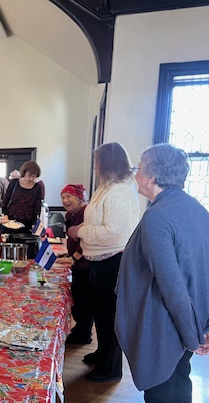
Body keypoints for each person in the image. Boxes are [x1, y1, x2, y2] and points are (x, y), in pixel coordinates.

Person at [116, 144, 209, 403]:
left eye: (139, 167)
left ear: (151, 176)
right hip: (188, 322)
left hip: (166, 325)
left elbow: (172, 285)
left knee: (160, 393)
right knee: (179, 384)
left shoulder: (158, 216)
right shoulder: (195, 208)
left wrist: (192, 335)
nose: (135, 172)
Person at [67, 142, 139, 382]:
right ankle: (102, 353)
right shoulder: (108, 186)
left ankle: (110, 368)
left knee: (109, 318)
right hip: (99, 260)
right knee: (101, 314)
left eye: (98, 162)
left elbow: (113, 232)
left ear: (108, 163)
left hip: (112, 262)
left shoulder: (119, 191)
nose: (95, 166)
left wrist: (81, 231)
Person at [60, 184, 93, 345]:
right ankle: (80, 330)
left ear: (80, 199)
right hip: (76, 264)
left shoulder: (86, 213)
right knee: (77, 298)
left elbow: (84, 240)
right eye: (63, 197)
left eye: (69, 197)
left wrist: (74, 258)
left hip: (85, 264)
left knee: (83, 300)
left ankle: (84, 333)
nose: (65, 200)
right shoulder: (69, 215)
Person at [2, 160, 43, 232]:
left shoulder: (37, 188)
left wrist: (34, 223)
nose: (31, 179)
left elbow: (37, 208)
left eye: (34, 176)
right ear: (24, 173)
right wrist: (5, 214)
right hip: (10, 223)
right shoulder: (14, 183)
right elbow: (5, 201)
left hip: (27, 225)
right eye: (29, 176)